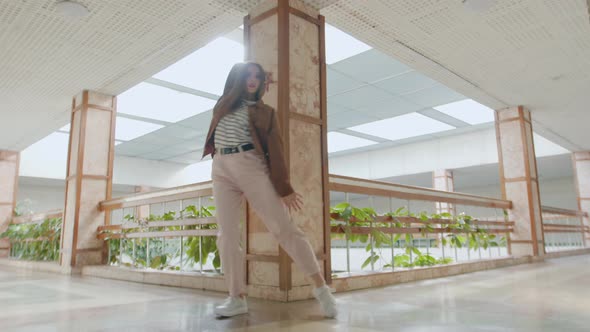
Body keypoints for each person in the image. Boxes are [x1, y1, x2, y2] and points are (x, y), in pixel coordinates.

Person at [202, 62, 337, 318]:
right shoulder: (222, 104)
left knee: (284, 229)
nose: (252, 80)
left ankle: (322, 289)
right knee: (227, 236)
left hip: (250, 165)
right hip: (220, 169)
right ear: (238, 78)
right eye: (248, 75)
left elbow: (276, 151)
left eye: (257, 77)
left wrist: (284, 187)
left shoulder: (266, 113)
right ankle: (236, 297)